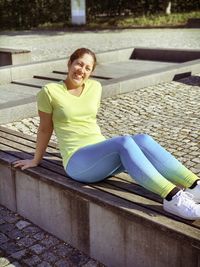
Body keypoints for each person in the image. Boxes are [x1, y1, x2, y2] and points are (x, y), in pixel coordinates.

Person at [14, 47, 200, 220]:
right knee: (123, 142)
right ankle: (172, 197)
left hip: (102, 156)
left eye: (88, 67)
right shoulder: (49, 91)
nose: (82, 70)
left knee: (142, 139)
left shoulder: (95, 88)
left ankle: (194, 186)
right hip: (78, 162)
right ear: (69, 63)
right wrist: (35, 160)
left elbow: (86, 121)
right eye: (79, 64)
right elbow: (45, 128)